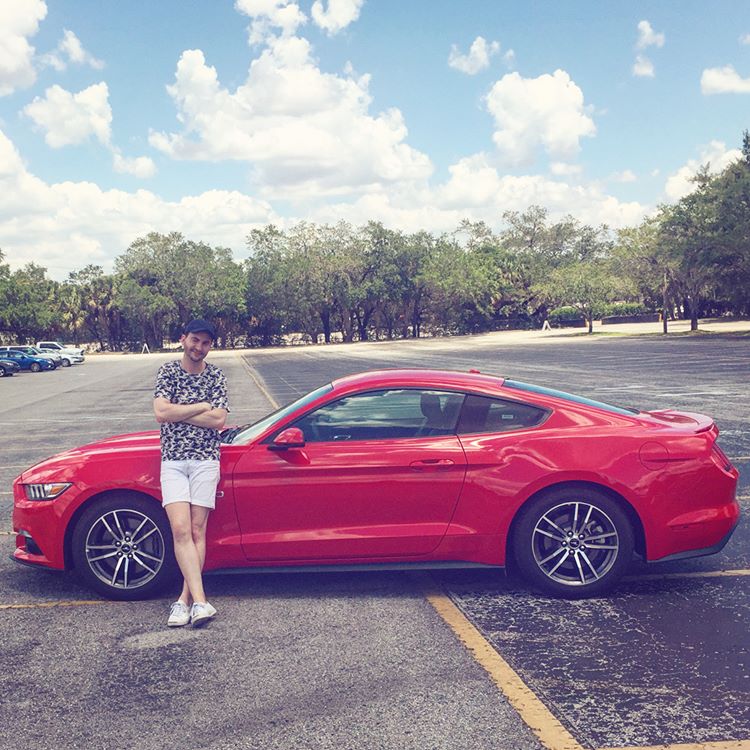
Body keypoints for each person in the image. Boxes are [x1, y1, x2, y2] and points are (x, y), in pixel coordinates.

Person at [153, 319, 228, 628]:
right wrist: (200, 407)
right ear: (183, 339)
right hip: (173, 461)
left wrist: (179, 411)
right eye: (195, 340)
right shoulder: (168, 372)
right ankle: (200, 601)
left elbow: (219, 420)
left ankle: (186, 601)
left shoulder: (217, 376)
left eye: (206, 343)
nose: (199, 347)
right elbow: (161, 413)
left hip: (206, 461)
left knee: (197, 531)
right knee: (180, 530)